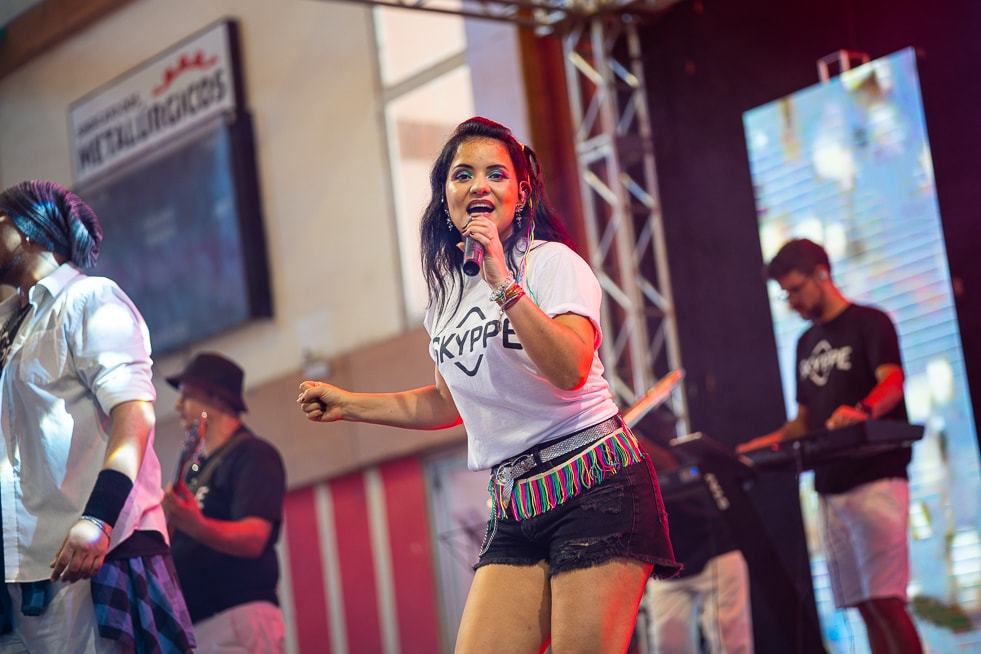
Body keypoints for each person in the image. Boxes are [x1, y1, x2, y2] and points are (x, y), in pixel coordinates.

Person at [297, 116, 680, 653]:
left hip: (596, 485)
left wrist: (502, 281)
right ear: (445, 197)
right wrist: (350, 404)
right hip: (515, 504)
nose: (479, 185)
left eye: (496, 174)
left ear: (521, 195)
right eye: (463, 175)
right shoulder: (445, 299)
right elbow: (447, 403)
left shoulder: (551, 264)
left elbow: (570, 369)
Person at [0, 180, 195, 652]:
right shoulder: (9, 324)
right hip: (20, 569)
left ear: (28, 230)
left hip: (87, 557)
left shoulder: (89, 300)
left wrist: (98, 518)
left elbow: (135, 414)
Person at [739, 238, 922, 654]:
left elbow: (893, 381)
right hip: (830, 484)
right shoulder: (804, 343)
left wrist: (863, 411)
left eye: (796, 289)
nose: (792, 302)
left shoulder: (871, 322)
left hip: (876, 478)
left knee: (886, 600)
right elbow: (803, 422)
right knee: (865, 604)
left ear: (822, 274)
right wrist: (757, 447)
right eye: (785, 294)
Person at [163, 352, 287, 653]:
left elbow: (254, 537)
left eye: (187, 396)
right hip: (203, 628)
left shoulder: (252, 455)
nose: (178, 406)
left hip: (235, 620)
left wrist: (194, 524)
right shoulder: (194, 466)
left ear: (216, 399)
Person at [641, 444, 752, 653]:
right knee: (669, 647)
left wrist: (631, 436)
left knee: (731, 646)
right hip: (666, 560)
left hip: (714, 550)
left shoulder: (648, 431)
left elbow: (671, 463)